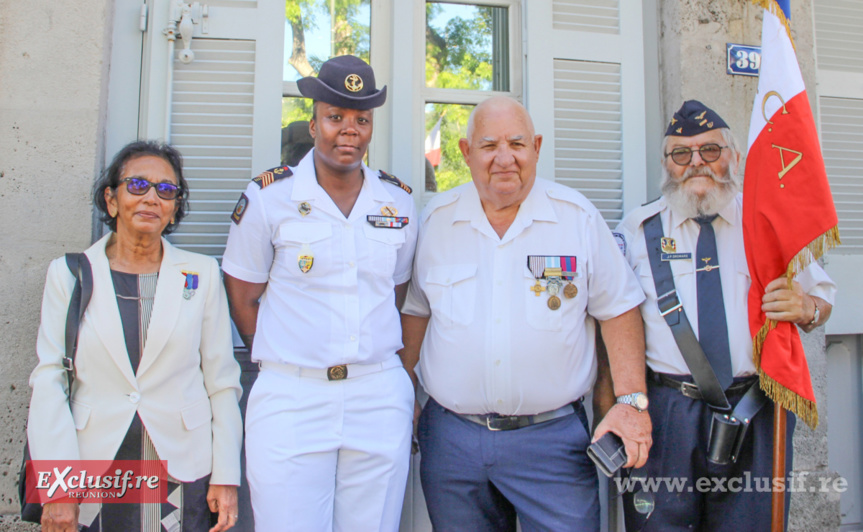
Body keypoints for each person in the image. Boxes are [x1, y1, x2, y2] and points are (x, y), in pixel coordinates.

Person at [400, 95, 652, 531]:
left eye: (517, 144)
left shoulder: (576, 218)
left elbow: (619, 309)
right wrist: (401, 391)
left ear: (536, 147)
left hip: (552, 443)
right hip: (453, 442)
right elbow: (417, 311)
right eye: (489, 145)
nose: (504, 159)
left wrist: (631, 401)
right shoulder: (437, 220)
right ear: (465, 152)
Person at [615, 100, 836, 530]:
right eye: (682, 154)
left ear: (734, 156)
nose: (696, 163)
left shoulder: (768, 225)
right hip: (667, 412)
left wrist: (806, 307)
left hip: (755, 408)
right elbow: (612, 319)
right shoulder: (637, 230)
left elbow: (822, 298)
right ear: (667, 165)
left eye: (710, 151)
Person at [221, 55, 418, 531]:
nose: (348, 130)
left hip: (377, 393)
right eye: (335, 117)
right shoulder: (269, 197)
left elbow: (396, 294)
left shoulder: (398, 200)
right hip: (292, 394)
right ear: (313, 124)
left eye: (361, 119)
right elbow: (244, 299)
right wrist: (293, 354)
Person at [28, 141, 244, 531]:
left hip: (182, 468)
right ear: (111, 200)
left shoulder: (201, 273)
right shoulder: (70, 274)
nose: (152, 198)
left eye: (166, 190)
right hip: (94, 469)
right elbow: (49, 381)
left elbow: (222, 382)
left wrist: (226, 475)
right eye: (138, 185)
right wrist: (57, 486)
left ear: (175, 207)